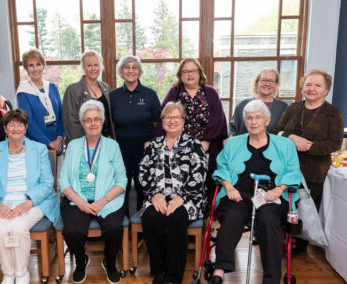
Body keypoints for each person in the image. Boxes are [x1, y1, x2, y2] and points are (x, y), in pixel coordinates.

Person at [210, 100, 301, 284]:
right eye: (249, 118)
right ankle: (219, 271)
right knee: (233, 216)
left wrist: (279, 188)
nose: (253, 122)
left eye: (258, 117)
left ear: (267, 121)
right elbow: (221, 168)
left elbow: (293, 172)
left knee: (268, 220)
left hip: (271, 198)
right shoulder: (232, 143)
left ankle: (271, 279)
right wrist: (229, 187)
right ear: (244, 121)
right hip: (238, 195)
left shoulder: (285, 145)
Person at [0, 109, 59, 284]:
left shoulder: (39, 149)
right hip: (1, 201)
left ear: (26, 128)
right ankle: (8, 272)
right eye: (11, 124)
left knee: (17, 229)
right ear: (5, 129)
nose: (16, 128)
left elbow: (47, 183)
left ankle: (21, 273)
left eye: (20, 124)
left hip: (33, 202)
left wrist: (28, 203)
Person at [274, 69, 344, 255]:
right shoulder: (293, 108)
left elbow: (335, 143)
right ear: (302, 87)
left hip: (315, 171)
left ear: (326, 90)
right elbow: (277, 132)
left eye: (317, 85)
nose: (311, 88)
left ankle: (299, 245)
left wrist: (307, 147)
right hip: (287, 168)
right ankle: (280, 239)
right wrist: (292, 138)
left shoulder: (332, 113)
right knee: (286, 205)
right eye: (308, 84)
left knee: (306, 209)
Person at [139, 102, 208, 284]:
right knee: (151, 219)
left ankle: (173, 276)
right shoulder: (154, 144)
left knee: (176, 219)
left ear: (183, 121)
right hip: (157, 196)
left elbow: (200, 174)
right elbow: (143, 171)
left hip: (188, 198)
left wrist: (181, 197)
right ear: (161, 122)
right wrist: (154, 194)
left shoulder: (194, 144)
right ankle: (159, 272)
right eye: (167, 117)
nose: (171, 121)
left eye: (176, 117)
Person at [59, 100, 127, 284]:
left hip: (107, 199)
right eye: (88, 120)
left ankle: (110, 263)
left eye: (96, 119)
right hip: (77, 200)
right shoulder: (73, 145)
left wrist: (102, 201)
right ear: (82, 123)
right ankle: (81, 263)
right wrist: (81, 202)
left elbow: (122, 180)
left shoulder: (112, 146)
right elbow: (63, 180)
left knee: (114, 228)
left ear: (102, 121)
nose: (93, 123)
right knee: (72, 231)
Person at [154, 58, 227, 203]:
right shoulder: (174, 92)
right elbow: (164, 116)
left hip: (207, 145)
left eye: (193, 70)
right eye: (185, 71)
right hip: (178, 146)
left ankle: (205, 213)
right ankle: (182, 206)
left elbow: (218, 118)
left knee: (207, 179)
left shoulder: (210, 92)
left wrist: (205, 141)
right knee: (181, 181)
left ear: (200, 73)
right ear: (180, 75)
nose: (190, 74)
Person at [110, 55, 161, 217]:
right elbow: (108, 124)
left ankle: (142, 223)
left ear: (139, 71)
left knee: (143, 186)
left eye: (134, 67)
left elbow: (159, 123)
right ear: (121, 71)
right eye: (127, 67)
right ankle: (122, 223)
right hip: (120, 151)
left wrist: (152, 143)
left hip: (144, 151)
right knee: (120, 187)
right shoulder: (113, 96)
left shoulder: (150, 95)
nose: (130, 71)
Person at [16, 49, 65, 154]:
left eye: (38, 64)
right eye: (31, 65)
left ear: (43, 66)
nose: (35, 69)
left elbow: (62, 115)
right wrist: (47, 143)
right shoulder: (23, 91)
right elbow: (28, 122)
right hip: (36, 145)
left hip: (58, 144)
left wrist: (60, 138)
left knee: (59, 170)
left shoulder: (52, 87)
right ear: (26, 68)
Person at [63, 50, 115, 143]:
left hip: (106, 142)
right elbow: (71, 124)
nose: (93, 69)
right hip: (85, 145)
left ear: (100, 67)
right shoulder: (73, 90)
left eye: (96, 65)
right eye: (89, 65)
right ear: (83, 68)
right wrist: (86, 145)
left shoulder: (105, 87)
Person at [229, 69, 288, 136]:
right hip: (244, 145)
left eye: (271, 81)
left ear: (276, 85)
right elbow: (233, 129)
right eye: (263, 80)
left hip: (275, 146)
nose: (267, 84)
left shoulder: (283, 107)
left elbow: (286, 132)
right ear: (257, 83)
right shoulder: (243, 105)